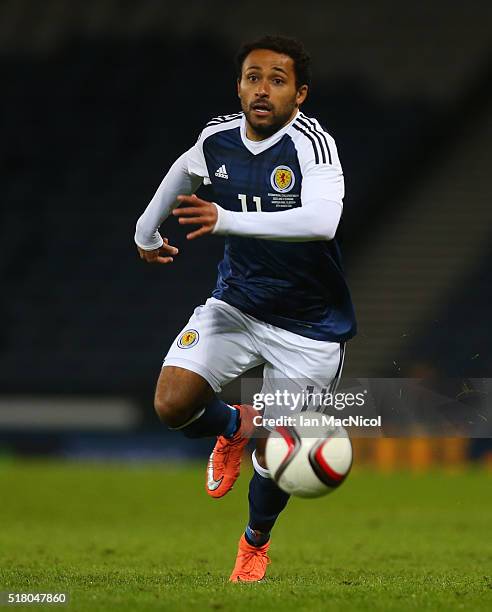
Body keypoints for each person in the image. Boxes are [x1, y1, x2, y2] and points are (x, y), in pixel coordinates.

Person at [134, 35, 356, 582]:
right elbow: (182, 172)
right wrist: (144, 231)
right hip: (237, 303)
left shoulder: (313, 147)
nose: (262, 89)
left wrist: (227, 220)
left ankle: (255, 540)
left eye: (277, 80)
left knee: (275, 460)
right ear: (238, 86)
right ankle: (232, 425)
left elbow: (320, 223)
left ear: (299, 94)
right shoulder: (218, 137)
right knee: (171, 405)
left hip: (310, 327)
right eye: (253, 77)